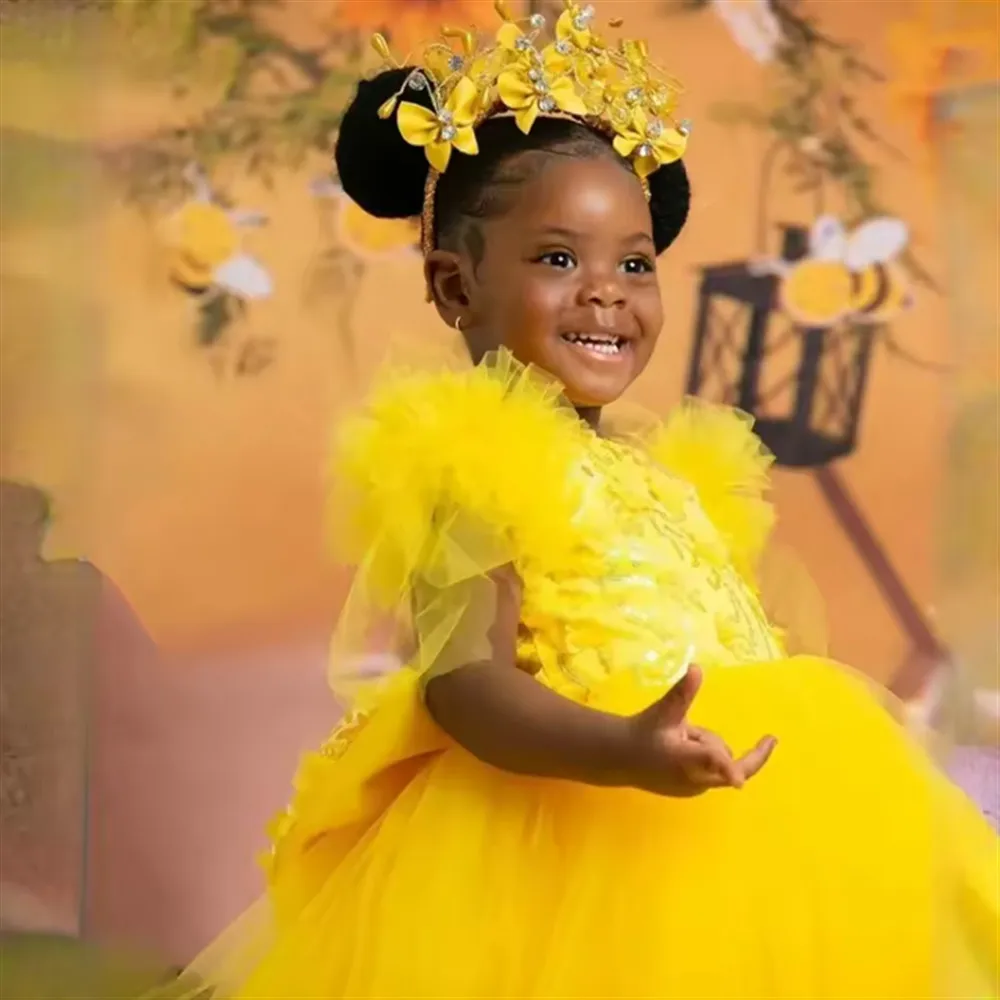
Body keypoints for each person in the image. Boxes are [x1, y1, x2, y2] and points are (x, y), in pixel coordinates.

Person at [166, 4, 999, 996]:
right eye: (559, 258)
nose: (605, 292)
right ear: (454, 284)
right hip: (563, 831)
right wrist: (619, 747)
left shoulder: (668, 477)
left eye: (633, 262)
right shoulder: (477, 455)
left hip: (716, 823)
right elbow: (461, 681)